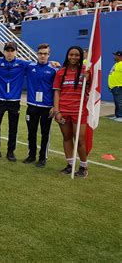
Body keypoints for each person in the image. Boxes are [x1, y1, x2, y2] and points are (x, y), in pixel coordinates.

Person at [0, 42, 32, 162]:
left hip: (14, 101)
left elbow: (37, 64)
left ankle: (10, 151)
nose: (10, 53)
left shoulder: (22, 64)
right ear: (4, 51)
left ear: (16, 52)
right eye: (7, 50)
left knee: (13, 127)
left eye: (12, 50)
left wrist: (53, 63)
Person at [53, 46, 91, 178]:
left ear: (81, 57)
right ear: (67, 55)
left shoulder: (86, 72)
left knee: (80, 139)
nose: (73, 57)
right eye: (71, 55)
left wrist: (89, 78)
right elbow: (57, 92)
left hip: (79, 111)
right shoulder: (61, 72)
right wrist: (57, 110)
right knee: (67, 137)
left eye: (76, 55)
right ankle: (70, 165)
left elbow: (92, 88)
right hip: (63, 110)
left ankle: (83, 167)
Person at [23, 44, 57, 167]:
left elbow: (57, 89)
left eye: (45, 53)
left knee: (45, 133)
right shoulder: (30, 66)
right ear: (37, 54)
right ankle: (31, 155)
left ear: (49, 55)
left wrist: (54, 105)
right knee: (31, 131)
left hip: (47, 107)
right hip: (32, 105)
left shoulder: (54, 69)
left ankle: (42, 158)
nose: (42, 55)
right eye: (40, 53)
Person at [108, 51, 122, 122]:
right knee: (117, 102)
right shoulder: (117, 64)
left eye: (116, 55)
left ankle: (120, 116)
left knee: (120, 102)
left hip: (119, 86)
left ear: (120, 56)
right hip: (114, 87)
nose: (114, 57)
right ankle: (117, 115)